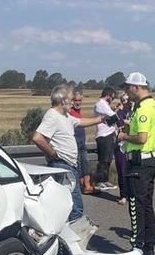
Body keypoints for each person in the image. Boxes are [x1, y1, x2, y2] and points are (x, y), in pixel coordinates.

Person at [32, 85, 108, 222]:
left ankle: (68, 238)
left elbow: (81, 121)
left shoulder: (65, 116)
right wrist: (52, 153)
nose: (73, 103)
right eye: (71, 100)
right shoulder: (52, 116)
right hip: (62, 165)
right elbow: (38, 138)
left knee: (70, 206)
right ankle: (73, 240)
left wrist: (101, 119)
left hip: (69, 166)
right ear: (63, 101)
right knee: (74, 207)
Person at [119, 72, 155, 255]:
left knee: (137, 205)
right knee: (147, 205)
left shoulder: (144, 108)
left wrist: (124, 137)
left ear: (136, 87)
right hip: (149, 159)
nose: (127, 92)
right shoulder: (153, 105)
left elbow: (142, 138)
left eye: (128, 87)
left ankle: (137, 245)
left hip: (140, 161)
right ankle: (149, 247)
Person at [69, 87, 94, 195]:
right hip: (74, 143)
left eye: (79, 101)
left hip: (82, 142)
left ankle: (87, 186)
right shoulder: (69, 111)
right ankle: (81, 186)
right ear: (72, 101)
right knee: (78, 165)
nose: (78, 103)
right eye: (76, 101)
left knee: (86, 163)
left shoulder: (80, 111)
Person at [93, 87, 118, 190]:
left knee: (108, 159)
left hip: (109, 133)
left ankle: (105, 180)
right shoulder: (101, 104)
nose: (112, 99)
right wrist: (115, 114)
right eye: (112, 97)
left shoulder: (105, 105)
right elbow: (114, 117)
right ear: (108, 96)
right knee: (103, 159)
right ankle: (99, 181)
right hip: (103, 134)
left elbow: (111, 115)